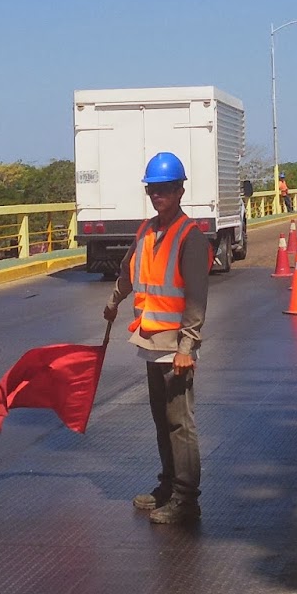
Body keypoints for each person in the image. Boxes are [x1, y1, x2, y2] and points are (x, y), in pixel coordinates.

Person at [103, 151, 209, 525]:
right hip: (150, 342)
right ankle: (168, 485)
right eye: (153, 189)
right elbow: (130, 272)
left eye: (165, 188)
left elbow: (196, 298)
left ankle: (186, 500)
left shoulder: (190, 237)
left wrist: (187, 347)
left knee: (180, 422)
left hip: (174, 347)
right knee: (162, 420)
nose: (158, 195)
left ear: (180, 190)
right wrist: (114, 301)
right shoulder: (147, 230)